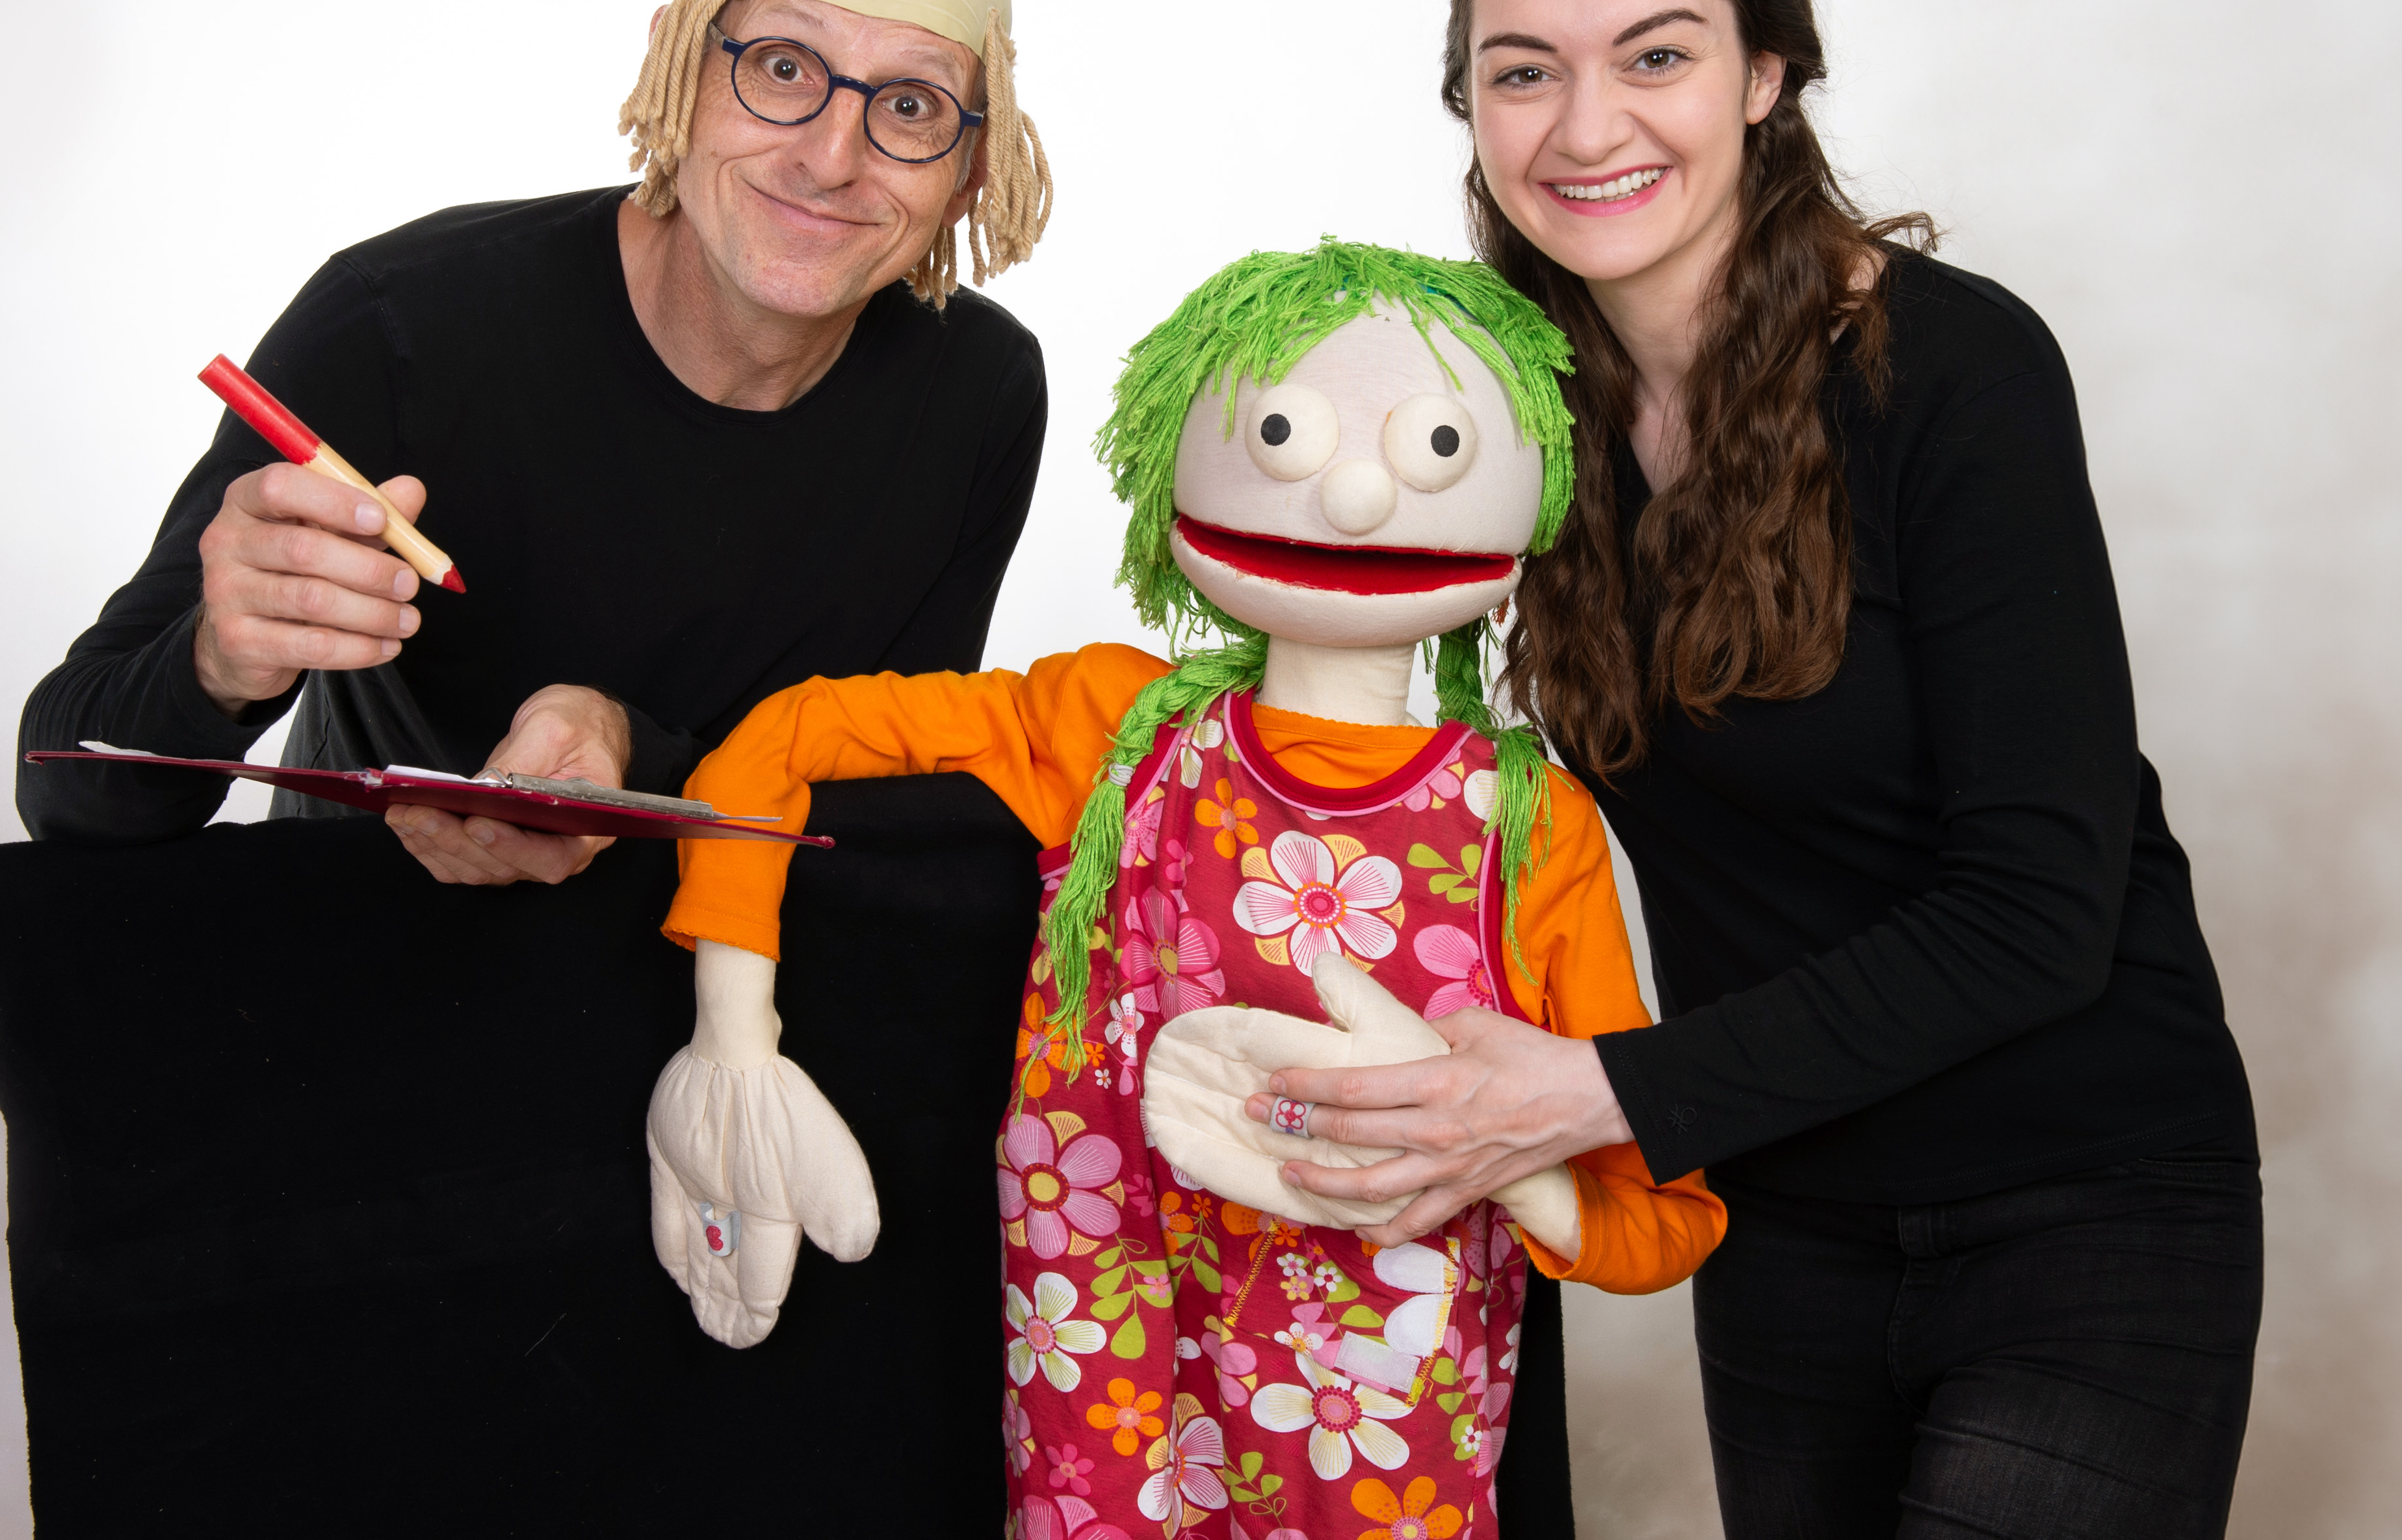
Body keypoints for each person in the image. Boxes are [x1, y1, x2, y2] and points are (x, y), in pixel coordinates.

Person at [1234, 0, 2263, 1539]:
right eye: (1522, 71)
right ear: (1468, 105)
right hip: (1784, 1222)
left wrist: (1590, 1094)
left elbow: (2036, 910)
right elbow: (1343, 694)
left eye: (1655, 56)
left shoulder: (1955, 367)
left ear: (1765, 70)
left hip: (2081, 1201)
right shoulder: (1495, 419)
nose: (1585, 127)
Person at [651, 242, 1723, 1535]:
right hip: (1105, 1413)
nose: (1357, 496)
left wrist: (1505, 1166)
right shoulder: (1115, 731)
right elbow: (780, 740)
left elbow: (1660, 1220)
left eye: (1434, 449)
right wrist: (733, 1032)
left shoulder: (1526, 825)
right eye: (1284, 436)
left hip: (1383, 1443)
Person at [18, 0, 1052, 859]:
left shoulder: (978, 394)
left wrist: (628, 746)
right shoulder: (398, 323)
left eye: (910, 105)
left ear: (971, 169)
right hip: (370, 938)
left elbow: (887, 821)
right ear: (676, 63)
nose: (830, 159)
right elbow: (65, 792)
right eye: (782, 68)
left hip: (733, 965)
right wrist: (215, 661)